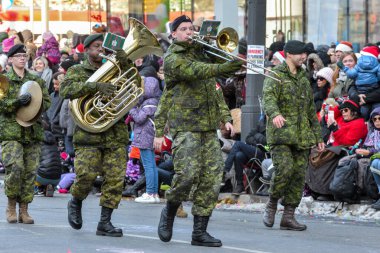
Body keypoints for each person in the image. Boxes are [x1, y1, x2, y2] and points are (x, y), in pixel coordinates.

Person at [154, 15, 241, 247]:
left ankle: (200, 231)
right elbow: (198, 71)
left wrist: (225, 117)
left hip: (207, 127)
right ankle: (170, 209)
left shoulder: (202, 52)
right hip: (186, 126)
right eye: (183, 29)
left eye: (192, 29)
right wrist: (223, 66)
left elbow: (214, 90)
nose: (189, 32)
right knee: (187, 176)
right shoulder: (173, 58)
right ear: (173, 34)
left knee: (212, 179)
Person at [60, 34, 132, 237]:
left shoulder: (114, 67)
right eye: (96, 46)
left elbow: (132, 80)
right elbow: (66, 90)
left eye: (103, 46)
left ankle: (105, 222)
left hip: (114, 133)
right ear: (86, 50)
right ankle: (75, 201)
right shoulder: (77, 70)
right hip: (88, 134)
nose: (100, 50)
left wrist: (123, 58)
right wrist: (95, 86)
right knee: (86, 175)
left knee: (115, 179)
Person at [262, 40, 325, 231]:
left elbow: (309, 111)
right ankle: (272, 203)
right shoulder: (275, 75)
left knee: (298, 177)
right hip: (281, 135)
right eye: (300, 54)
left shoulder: (304, 79)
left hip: (302, 136)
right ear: (289, 54)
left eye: (305, 54)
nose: (304, 57)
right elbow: (268, 98)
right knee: (284, 169)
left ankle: (288, 216)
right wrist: (275, 114)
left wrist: (318, 137)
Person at [0, 44, 50, 224]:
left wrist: (35, 104)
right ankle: (11, 205)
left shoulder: (36, 80)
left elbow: (47, 102)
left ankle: (24, 210)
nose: (22, 58)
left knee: (30, 172)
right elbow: (1, 105)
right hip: (11, 131)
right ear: (11, 59)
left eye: (24, 55)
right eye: (18, 56)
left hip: (32, 131)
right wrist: (17, 102)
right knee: (15, 168)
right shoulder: (4, 80)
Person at [128, 77, 161, 203]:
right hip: (148, 135)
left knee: (148, 166)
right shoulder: (155, 101)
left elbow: (139, 118)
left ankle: (150, 193)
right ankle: (154, 193)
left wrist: (132, 108)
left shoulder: (148, 103)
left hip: (145, 136)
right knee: (152, 166)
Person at [340, 45, 380, 120]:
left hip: (369, 101)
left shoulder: (357, 72)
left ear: (356, 61)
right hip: (358, 101)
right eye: (345, 61)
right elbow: (351, 89)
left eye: (350, 61)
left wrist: (365, 98)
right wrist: (358, 96)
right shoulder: (338, 77)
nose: (348, 63)